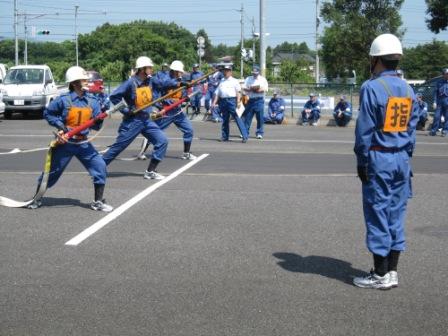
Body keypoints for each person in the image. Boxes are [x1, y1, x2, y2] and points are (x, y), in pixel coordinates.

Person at [353, 33, 419, 290]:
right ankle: (392, 271)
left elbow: (364, 130)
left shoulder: (371, 87)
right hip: (402, 159)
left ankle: (379, 274)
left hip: (379, 156)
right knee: (396, 212)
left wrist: (362, 160)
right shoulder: (408, 89)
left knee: (377, 212)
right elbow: (412, 128)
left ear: (376, 58)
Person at [29, 66, 112, 212]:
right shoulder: (63, 100)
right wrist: (61, 126)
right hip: (65, 142)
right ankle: (36, 198)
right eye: (83, 79)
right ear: (74, 83)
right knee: (53, 172)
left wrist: (102, 116)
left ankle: (97, 202)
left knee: (100, 167)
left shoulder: (92, 101)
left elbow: (97, 125)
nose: (87, 81)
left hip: (83, 143)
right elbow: (48, 113)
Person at [102, 56, 168, 180]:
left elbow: (165, 84)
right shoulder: (130, 83)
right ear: (142, 69)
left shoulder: (150, 81)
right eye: (149, 67)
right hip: (133, 120)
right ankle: (98, 166)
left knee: (162, 141)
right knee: (119, 147)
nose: (152, 69)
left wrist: (180, 83)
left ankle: (150, 171)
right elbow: (114, 97)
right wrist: (126, 110)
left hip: (146, 119)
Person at [151, 60, 197, 160]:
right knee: (154, 131)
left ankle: (186, 153)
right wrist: (158, 107)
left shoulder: (180, 79)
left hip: (177, 111)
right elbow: (160, 90)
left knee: (189, 130)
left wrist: (186, 98)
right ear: (174, 71)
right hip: (166, 110)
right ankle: (143, 150)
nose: (180, 73)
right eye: (179, 71)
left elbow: (182, 94)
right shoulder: (165, 79)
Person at [212, 64, 248, 142]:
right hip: (223, 101)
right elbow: (217, 92)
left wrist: (238, 101)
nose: (226, 72)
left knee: (237, 118)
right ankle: (225, 136)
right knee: (225, 119)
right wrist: (214, 102)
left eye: (227, 71)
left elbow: (238, 92)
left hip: (232, 101)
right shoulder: (221, 80)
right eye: (225, 70)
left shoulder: (234, 81)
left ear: (231, 72)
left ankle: (244, 136)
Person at [242, 65, 269, 139]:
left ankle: (259, 133)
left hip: (259, 99)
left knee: (260, 117)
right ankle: (245, 132)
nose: (254, 74)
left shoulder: (262, 79)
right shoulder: (248, 78)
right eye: (253, 72)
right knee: (248, 117)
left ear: (258, 72)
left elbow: (265, 88)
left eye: (256, 73)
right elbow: (243, 87)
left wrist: (257, 90)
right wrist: (249, 89)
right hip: (251, 100)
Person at [429, 68, 448, 137]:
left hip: (447, 100)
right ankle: (433, 131)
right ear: (443, 75)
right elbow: (435, 93)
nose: (447, 75)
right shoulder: (439, 82)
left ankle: (445, 131)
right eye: (446, 74)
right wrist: (434, 101)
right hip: (440, 101)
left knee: (447, 117)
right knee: (437, 116)